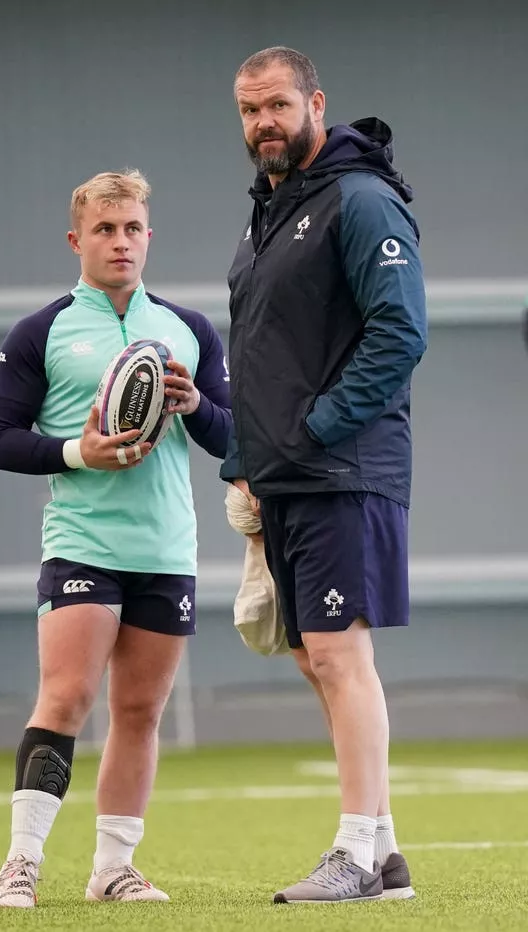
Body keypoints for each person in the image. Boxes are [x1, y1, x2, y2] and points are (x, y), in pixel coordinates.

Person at [0, 169, 231, 906]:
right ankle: (22, 860)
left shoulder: (189, 329)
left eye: (132, 229)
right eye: (104, 229)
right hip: (83, 544)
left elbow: (232, 439)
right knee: (65, 699)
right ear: (77, 239)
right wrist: (76, 452)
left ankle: (112, 868)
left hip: (166, 550)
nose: (120, 242)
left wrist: (194, 405)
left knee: (140, 713)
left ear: (149, 236)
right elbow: (0, 440)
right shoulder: (42, 331)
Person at [220, 47, 427, 904]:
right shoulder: (269, 212)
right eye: (247, 110)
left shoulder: (362, 198)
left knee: (340, 656)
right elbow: (264, 353)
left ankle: (354, 856)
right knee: (315, 658)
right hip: (287, 477)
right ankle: (384, 855)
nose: (262, 123)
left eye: (275, 105)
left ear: (315, 102)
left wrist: (315, 429)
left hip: (343, 468)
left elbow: (399, 332)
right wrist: (247, 463)